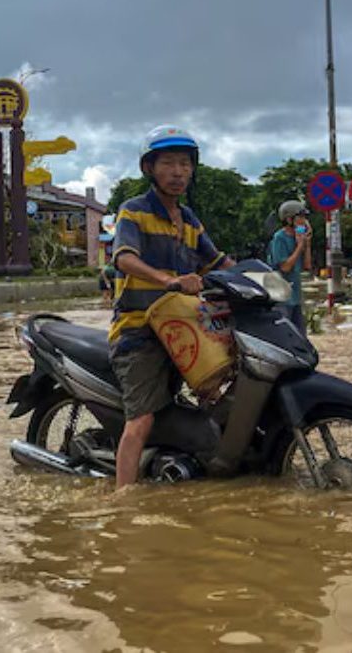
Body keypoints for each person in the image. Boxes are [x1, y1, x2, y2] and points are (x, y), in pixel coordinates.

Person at [109, 125, 236, 490]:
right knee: (142, 419)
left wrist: (260, 280)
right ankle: (123, 499)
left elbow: (216, 261)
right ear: (149, 168)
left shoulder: (191, 219)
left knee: (219, 386)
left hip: (184, 325)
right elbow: (124, 258)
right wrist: (167, 280)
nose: (178, 172)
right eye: (168, 163)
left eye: (185, 164)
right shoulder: (133, 212)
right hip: (139, 331)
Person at [267, 200, 312, 333]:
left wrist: (307, 244)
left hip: (295, 296)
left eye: (305, 218)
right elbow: (285, 267)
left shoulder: (299, 237)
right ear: (289, 219)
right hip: (281, 296)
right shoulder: (279, 238)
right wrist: (299, 246)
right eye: (300, 217)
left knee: (301, 336)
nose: (304, 221)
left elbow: (307, 266)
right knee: (286, 334)